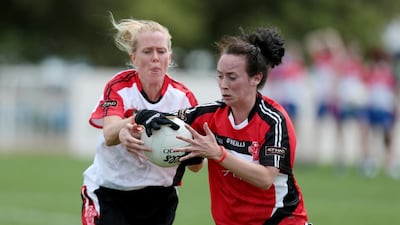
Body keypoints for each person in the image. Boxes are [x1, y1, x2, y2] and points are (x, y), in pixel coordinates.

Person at [134, 27, 310, 225]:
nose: (223, 84)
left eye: (232, 77)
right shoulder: (208, 115)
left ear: (256, 78)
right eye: (219, 76)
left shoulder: (274, 121)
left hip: (280, 221)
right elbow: (164, 121)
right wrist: (144, 117)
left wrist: (218, 154)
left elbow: (265, 178)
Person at [80, 15, 203, 225]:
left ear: (169, 57)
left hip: (160, 197)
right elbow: (109, 134)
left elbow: (197, 166)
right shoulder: (119, 86)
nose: (155, 57)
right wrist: (137, 119)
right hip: (109, 191)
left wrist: (187, 150)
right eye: (147, 51)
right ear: (134, 57)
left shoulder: (183, 98)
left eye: (161, 51)